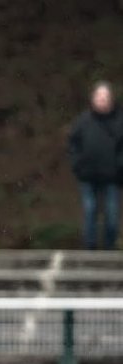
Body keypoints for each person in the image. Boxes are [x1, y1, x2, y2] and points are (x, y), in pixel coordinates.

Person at [68, 81, 123, 250]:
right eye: (99, 97)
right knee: (89, 210)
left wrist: (119, 165)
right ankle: (90, 248)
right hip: (88, 175)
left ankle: (109, 248)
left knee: (112, 215)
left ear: (111, 99)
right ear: (93, 99)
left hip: (112, 176)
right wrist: (77, 164)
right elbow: (73, 144)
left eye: (105, 97)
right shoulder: (83, 121)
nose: (102, 100)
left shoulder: (119, 120)